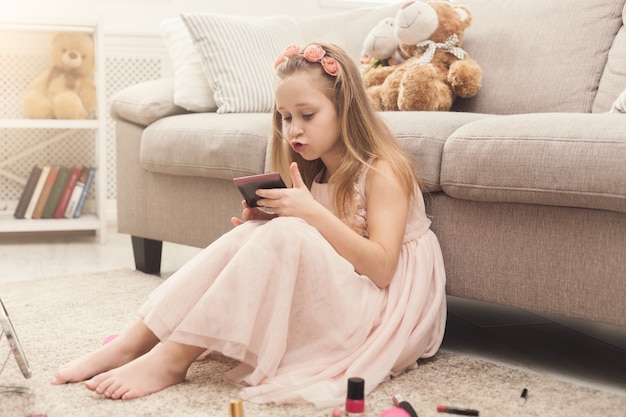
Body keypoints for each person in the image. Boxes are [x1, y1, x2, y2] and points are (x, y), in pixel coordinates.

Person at [52, 43, 447, 408]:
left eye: (307, 115)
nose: (294, 129)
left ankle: (171, 359)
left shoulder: (382, 171)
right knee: (254, 231)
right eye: (286, 117)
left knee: (288, 229)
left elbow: (381, 270)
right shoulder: (315, 172)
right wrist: (273, 225)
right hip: (352, 292)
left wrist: (309, 215)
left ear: (345, 109)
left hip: (386, 310)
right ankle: (131, 342)